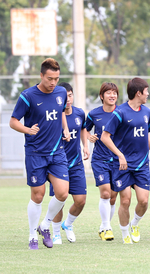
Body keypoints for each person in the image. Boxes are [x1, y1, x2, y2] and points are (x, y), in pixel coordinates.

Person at [10, 58, 71, 249]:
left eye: (56, 78)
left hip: (57, 151)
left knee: (62, 193)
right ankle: (32, 236)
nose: (53, 82)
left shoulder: (61, 92)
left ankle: (44, 226)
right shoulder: (27, 96)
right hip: (35, 152)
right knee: (38, 196)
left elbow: (61, 112)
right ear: (41, 76)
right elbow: (13, 121)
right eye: (50, 78)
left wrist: (66, 129)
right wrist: (27, 130)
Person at [101, 77, 150, 244]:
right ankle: (125, 232)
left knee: (144, 201)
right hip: (123, 165)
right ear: (138, 93)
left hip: (142, 164)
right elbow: (105, 137)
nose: (148, 94)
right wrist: (120, 155)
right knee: (125, 200)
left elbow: (145, 134)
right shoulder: (119, 113)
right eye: (146, 91)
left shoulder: (147, 112)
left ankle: (134, 224)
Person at [51, 82, 89, 244]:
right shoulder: (53, 115)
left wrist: (85, 146)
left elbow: (83, 129)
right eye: (64, 96)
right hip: (58, 164)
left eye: (70, 95)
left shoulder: (80, 113)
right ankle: (55, 232)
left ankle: (68, 224)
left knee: (81, 200)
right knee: (59, 200)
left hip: (77, 163)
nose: (68, 99)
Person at [84, 82, 119, 241]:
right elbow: (85, 129)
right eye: (109, 93)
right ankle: (107, 227)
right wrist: (88, 138)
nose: (112, 96)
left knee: (112, 197)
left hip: (118, 160)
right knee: (105, 193)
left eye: (115, 93)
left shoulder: (122, 112)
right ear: (101, 96)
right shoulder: (93, 114)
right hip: (100, 159)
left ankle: (103, 226)